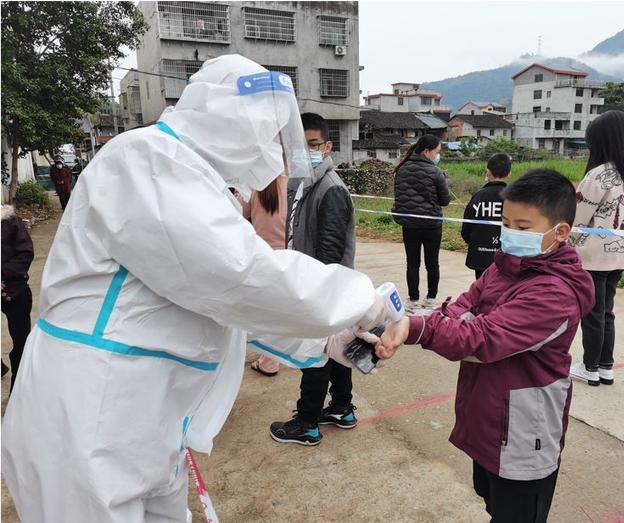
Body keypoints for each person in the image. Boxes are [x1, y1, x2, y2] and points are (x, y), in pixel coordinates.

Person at [1, 55, 391, 523]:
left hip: (149, 412)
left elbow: (218, 306)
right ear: (223, 111)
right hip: (92, 410)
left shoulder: (199, 182)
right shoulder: (145, 158)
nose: (267, 144)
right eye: (262, 129)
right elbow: (237, 276)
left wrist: (329, 341)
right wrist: (361, 302)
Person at [377, 170, 595, 523]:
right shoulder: (505, 266)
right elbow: (462, 306)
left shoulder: (554, 293)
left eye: (523, 228)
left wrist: (416, 327)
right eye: (506, 223)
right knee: (491, 498)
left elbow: (481, 338)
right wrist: (438, 322)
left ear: (560, 232)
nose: (510, 234)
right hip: (490, 416)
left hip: (523, 433)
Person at [269, 112, 359, 446]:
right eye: (298, 146)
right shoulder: (305, 183)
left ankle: (307, 422)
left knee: (315, 354)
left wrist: (312, 292)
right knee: (335, 349)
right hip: (321, 286)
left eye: (313, 145)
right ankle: (341, 407)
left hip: (323, 287)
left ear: (327, 146)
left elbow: (330, 252)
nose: (304, 152)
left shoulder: (330, 188)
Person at [569, 110, 624, 387]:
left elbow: (577, 218)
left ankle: (589, 367)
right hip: (621, 254)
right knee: (606, 312)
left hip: (593, 257)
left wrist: (565, 244)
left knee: (592, 313)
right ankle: (605, 366)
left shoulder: (599, 175)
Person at [392, 134, 451, 311]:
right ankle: (431, 299)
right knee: (432, 263)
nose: (437, 155)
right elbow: (445, 201)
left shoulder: (401, 169)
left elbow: (400, 196)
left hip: (409, 225)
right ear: (427, 151)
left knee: (412, 263)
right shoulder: (435, 172)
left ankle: (413, 300)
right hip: (432, 225)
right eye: (437, 152)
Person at [238, 175, 289, 377]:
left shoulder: (251, 185)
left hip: (262, 256)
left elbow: (240, 212)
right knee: (280, 310)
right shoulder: (290, 183)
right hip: (288, 255)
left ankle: (268, 361)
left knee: (264, 311)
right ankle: (272, 357)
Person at [461, 153, 511, 279]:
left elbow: (466, 227)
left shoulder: (478, 196)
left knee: (481, 289)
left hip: (481, 255)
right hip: (507, 256)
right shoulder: (515, 198)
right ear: (509, 173)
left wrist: (475, 242)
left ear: (488, 171)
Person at [1, 204, 34, 394]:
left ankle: (19, 393)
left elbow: (26, 254)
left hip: (15, 292)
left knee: (21, 344)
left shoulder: (10, 221)